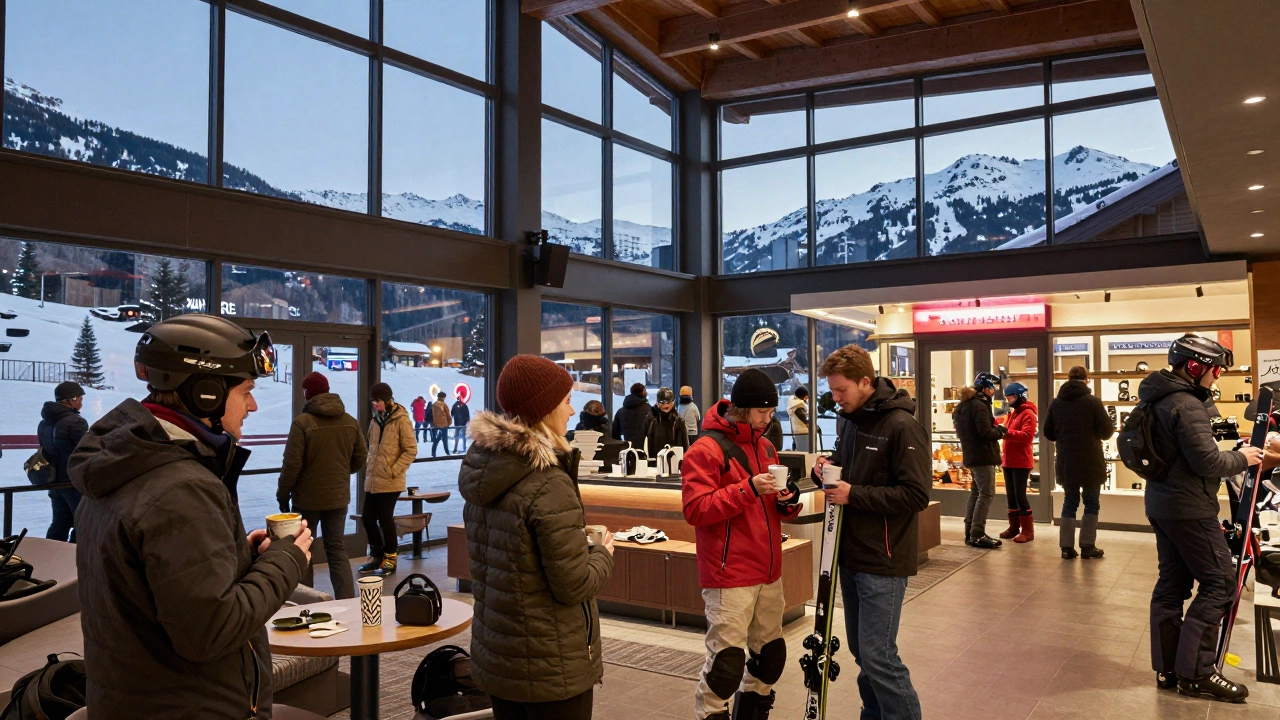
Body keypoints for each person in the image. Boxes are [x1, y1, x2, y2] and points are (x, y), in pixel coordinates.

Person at [69, 314, 313, 718]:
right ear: (206, 393)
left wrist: (238, 556)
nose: (252, 406)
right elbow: (211, 631)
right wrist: (286, 560)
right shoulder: (181, 488)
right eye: (246, 391)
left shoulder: (124, 465)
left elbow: (160, 587)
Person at [459, 355, 615, 720]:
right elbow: (573, 585)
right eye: (566, 401)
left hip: (499, 656)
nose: (572, 411)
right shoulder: (548, 482)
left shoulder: (484, 471)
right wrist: (602, 553)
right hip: (551, 665)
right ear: (544, 410)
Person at [812, 345, 929, 720]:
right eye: (832, 390)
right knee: (862, 653)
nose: (836, 398)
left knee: (879, 655)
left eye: (841, 389)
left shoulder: (902, 426)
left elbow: (916, 494)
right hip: (850, 556)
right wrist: (826, 467)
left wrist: (854, 494)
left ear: (865, 382)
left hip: (884, 559)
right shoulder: (851, 421)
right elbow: (847, 466)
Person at [1142, 335, 1261, 702]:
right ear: (1194, 367)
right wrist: (1246, 458)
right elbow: (1208, 462)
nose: (1217, 377)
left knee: (1172, 584)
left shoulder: (1157, 398)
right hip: (1189, 508)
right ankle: (1196, 673)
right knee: (1220, 584)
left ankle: (1168, 668)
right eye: (1215, 370)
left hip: (1162, 504)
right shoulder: (1186, 404)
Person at [682, 368, 801, 720]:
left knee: (770, 659)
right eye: (762, 412)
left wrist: (788, 500)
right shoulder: (706, 449)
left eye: (771, 411)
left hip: (769, 572)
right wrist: (747, 488)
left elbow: (774, 508)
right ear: (742, 409)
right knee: (726, 667)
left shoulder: (766, 446)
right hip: (729, 574)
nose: (768, 419)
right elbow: (696, 509)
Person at [277, 371, 367, 599]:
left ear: (307, 393)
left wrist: (283, 493)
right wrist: (341, 472)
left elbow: (291, 464)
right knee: (336, 549)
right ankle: (347, 600)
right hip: (338, 497)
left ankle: (307, 602)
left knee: (303, 549)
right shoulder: (350, 422)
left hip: (307, 499)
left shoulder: (302, 423)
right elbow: (360, 457)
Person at [1042, 366, 1114, 559]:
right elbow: (1107, 432)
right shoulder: (1093, 402)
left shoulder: (1056, 403)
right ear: (1086, 379)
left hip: (1067, 460)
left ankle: (1066, 547)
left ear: (1068, 379)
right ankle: (1087, 545)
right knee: (1091, 503)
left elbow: (1048, 432)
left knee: (1070, 502)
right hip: (1091, 460)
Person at [361, 382, 417, 577]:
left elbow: (411, 450)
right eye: (372, 401)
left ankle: (391, 558)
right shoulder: (375, 421)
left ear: (387, 400)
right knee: (367, 518)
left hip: (391, 480)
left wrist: (393, 470)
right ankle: (376, 555)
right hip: (373, 479)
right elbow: (371, 448)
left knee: (385, 519)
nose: (374, 404)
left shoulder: (401, 420)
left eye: (377, 400)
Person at [954, 372, 1007, 549]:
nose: (994, 391)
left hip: (971, 455)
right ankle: (978, 533)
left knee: (976, 493)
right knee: (986, 493)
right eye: (993, 387)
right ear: (986, 388)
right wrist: (1001, 431)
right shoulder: (980, 406)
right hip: (983, 455)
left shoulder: (963, 406)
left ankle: (970, 531)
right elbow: (985, 432)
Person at [38, 381, 88, 542]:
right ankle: (73, 554)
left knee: (59, 524)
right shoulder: (76, 422)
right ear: (72, 400)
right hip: (73, 482)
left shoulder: (44, 422)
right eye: (80, 399)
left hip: (54, 481)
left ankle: (51, 554)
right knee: (83, 523)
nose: (81, 403)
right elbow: (86, 450)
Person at [997, 382, 1038, 544]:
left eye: (1012, 397)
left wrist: (1007, 432)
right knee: (1011, 496)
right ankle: (1014, 527)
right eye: (1008, 398)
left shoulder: (1028, 414)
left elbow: (1027, 436)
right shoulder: (1013, 414)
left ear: (1021, 396)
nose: (1009, 401)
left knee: (1020, 496)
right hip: (1008, 460)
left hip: (1021, 461)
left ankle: (1028, 531)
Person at [645, 386, 691, 454]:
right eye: (662, 402)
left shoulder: (679, 422)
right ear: (657, 403)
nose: (665, 405)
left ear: (673, 402)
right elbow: (647, 444)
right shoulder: (652, 421)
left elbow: (685, 446)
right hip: (656, 459)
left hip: (675, 459)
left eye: (668, 402)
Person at [613, 382, 652, 449]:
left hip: (627, 449)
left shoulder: (621, 412)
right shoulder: (648, 409)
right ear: (643, 391)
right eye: (645, 390)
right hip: (645, 449)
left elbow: (615, 434)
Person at [788, 386, 811, 451]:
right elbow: (805, 419)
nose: (807, 398)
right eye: (806, 396)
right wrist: (815, 428)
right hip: (803, 432)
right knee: (806, 451)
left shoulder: (793, 404)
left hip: (798, 432)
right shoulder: (798, 405)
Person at [431, 391, 452, 457]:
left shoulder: (434, 405)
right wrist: (449, 422)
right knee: (445, 439)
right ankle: (447, 452)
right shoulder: (443, 405)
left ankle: (433, 452)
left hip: (436, 425)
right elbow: (447, 414)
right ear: (443, 397)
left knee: (437, 439)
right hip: (444, 424)